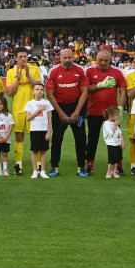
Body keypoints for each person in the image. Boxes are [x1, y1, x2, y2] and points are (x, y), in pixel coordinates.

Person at [45, 49, 89, 177]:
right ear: (60, 58)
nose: (67, 60)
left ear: (73, 57)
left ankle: (81, 167)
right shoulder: (53, 71)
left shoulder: (80, 70)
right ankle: (54, 166)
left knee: (81, 139)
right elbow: (50, 94)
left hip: (77, 106)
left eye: (69, 57)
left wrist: (77, 112)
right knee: (57, 138)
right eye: (65, 58)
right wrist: (60, 113)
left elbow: (84, 92)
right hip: (59, 107)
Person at [85, 50, 127, 176]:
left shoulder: (117, 72)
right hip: (94, 110)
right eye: (100, 60)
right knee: (92, 139)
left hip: (112, 113)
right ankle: (90, 165)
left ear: (111, 60)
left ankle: (118, 166)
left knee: (117, 139)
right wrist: (100, 85)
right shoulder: (89, 71)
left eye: (106, 60)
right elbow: (86, 89)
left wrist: (120, 108)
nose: (102, 63)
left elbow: (123, 91)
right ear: (96, 59)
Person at [5, 47, 42, 176]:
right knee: (19, 137)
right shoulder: (11, 72)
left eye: (25, 56)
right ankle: (19, 166)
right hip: (18, 109)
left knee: (36, 137)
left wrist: (28, 75)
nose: (23, 59)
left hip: (34, 110)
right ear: (15, 58)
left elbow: (38, 88)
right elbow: (9, 93)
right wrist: (18, 79)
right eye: (20, 57)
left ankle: (38, 167)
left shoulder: (35, 69)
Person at [24, 83, 53, 179]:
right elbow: (28, 118)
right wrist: (39, 110)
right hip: (34, 130)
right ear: (33, 91)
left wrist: (49, 132)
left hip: (44, 130)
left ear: (43, 91)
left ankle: (43, 171)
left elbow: (50, 119)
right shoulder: (30, 103)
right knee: (34, 151)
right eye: (37, 89)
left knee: (44, 151)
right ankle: (35, 171)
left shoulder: (47, 103)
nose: (39, 91)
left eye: (41, 89)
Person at [102, 106, 125, 179]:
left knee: (116, 159)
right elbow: (110, 133)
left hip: (117, 143)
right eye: (117, 115)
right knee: (112, 159)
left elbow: (120, 133)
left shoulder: (115, 123)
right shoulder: (106, 123)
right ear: (111, 115)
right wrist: (115, 125)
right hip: (112, 144)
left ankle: (114, 172)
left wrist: (122, 142)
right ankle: (109, 172)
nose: (118, 117)